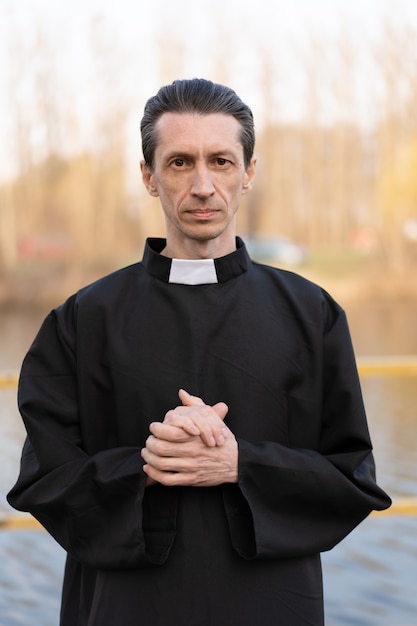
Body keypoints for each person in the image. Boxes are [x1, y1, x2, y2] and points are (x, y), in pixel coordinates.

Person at [8, 78, 391, 626]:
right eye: (180, 163)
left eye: (222, 161)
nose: (204, 186)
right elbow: (43, 482)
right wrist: (149, 465)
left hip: (271, 605)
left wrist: (241, 465)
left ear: (249, 173)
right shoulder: (83, 319)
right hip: (124, 607)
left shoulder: (312, 313)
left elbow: (353, 481)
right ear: (148, 176)